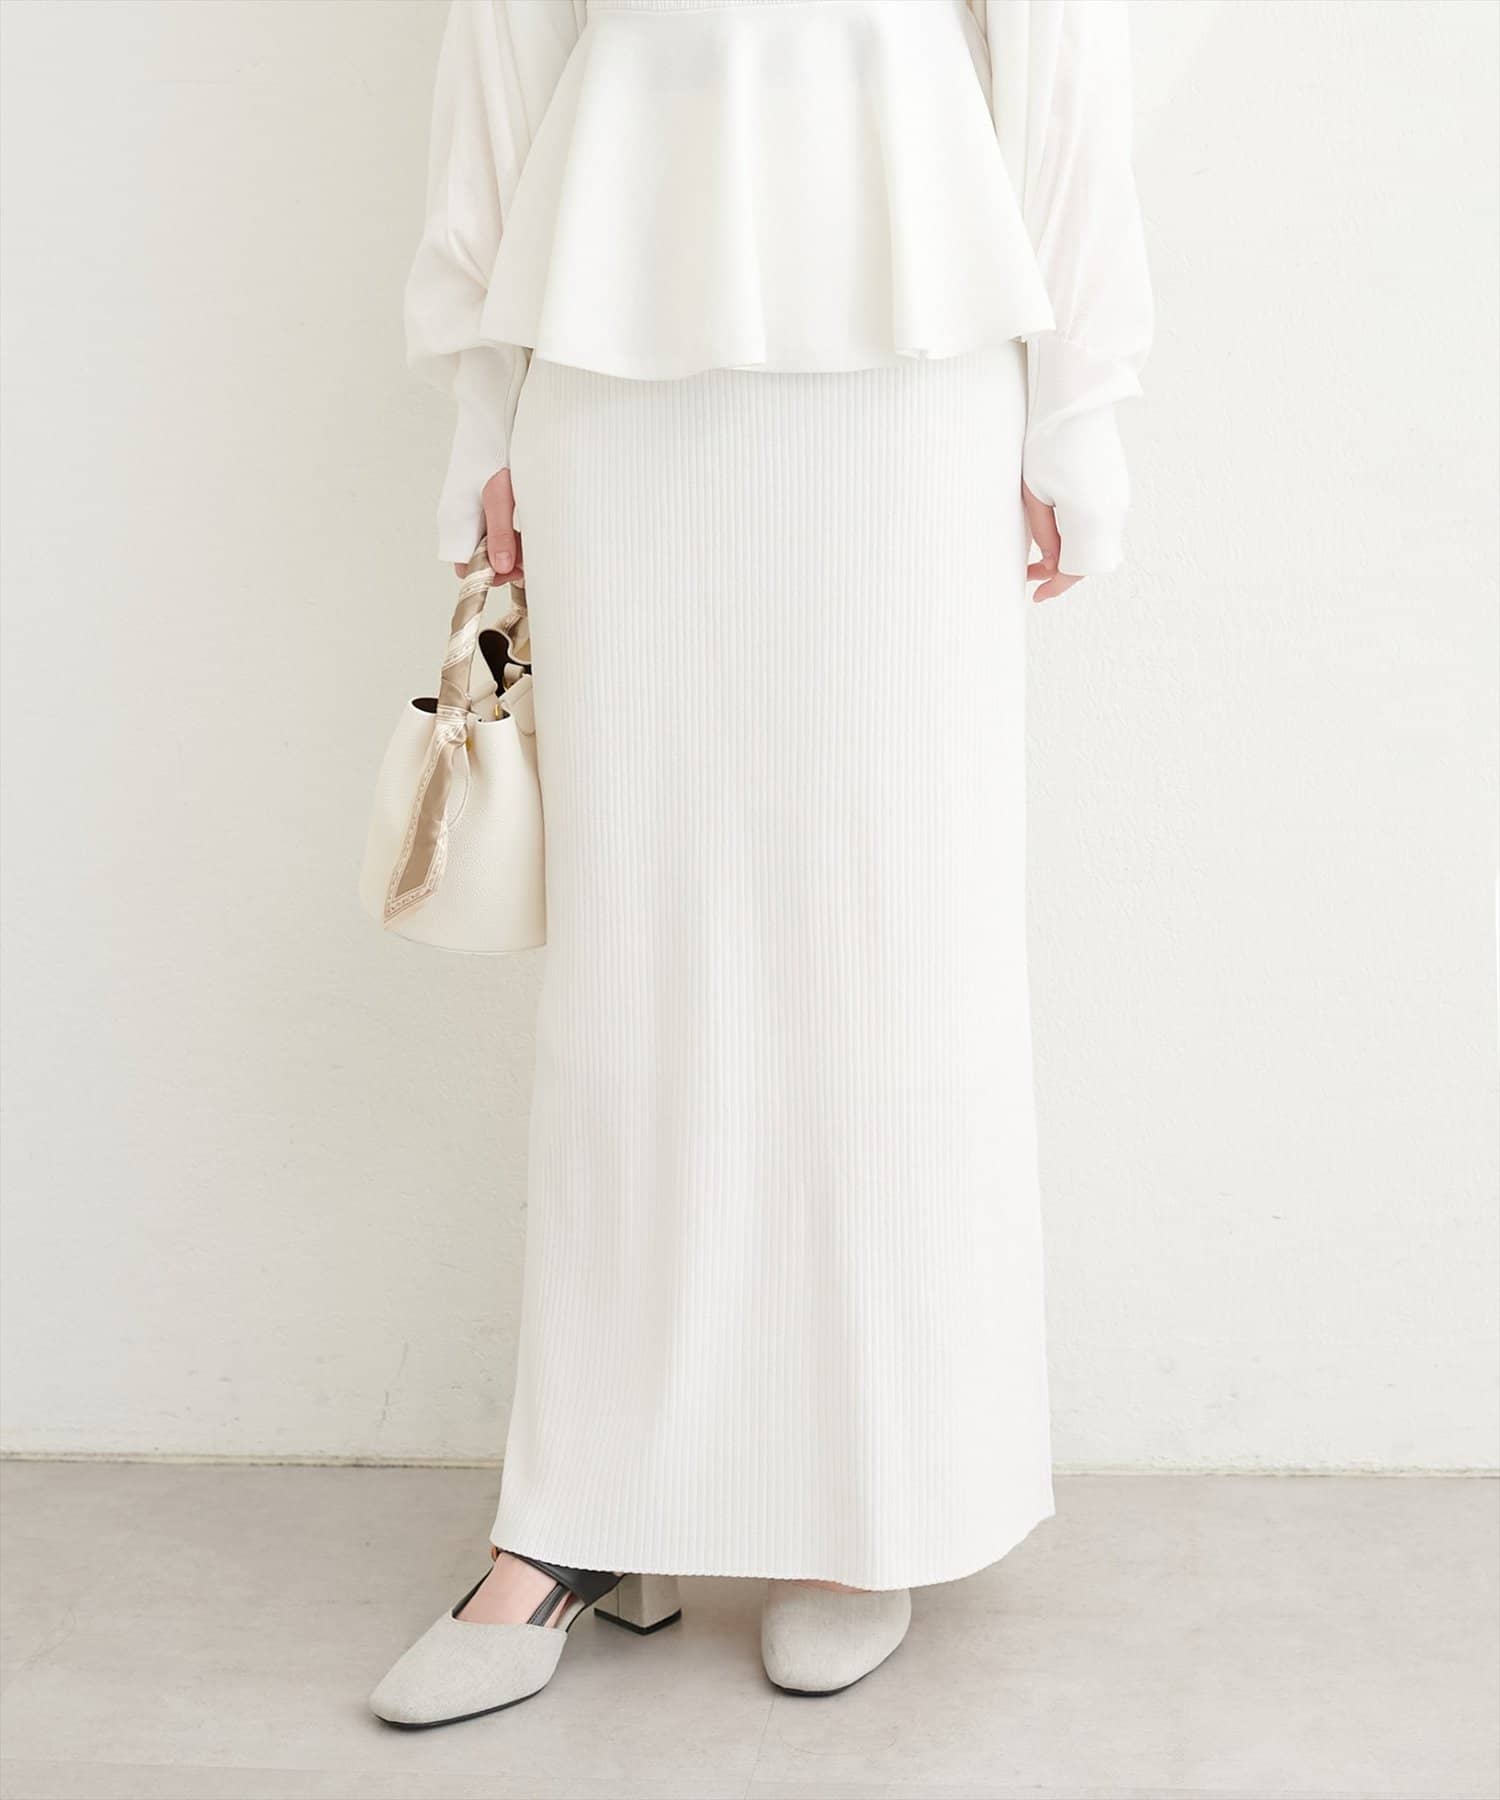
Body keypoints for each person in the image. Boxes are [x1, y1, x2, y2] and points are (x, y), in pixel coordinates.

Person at [371, 0, 1151, 1727]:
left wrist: (1079, 403)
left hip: (911, 349)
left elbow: (1062, 42)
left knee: (893, 935)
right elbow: (501, 41)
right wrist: (481, 408)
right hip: (614, 341)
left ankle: (863, 1504)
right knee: (639, 955)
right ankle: (585, 1514)